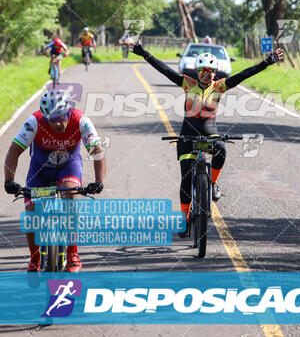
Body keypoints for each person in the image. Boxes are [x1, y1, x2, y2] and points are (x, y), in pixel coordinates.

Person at [126, 40, 284, 237]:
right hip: (188, 133)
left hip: (210, 131)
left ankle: (213, 183)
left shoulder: (220, 86)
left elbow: (243, 75)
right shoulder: (187, 83)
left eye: (209, 70)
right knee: (185, 177)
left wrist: (266, 63)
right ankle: (183, 218)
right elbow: (164, 69)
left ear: (214, 72)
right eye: (202, 70)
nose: (205, 74)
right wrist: (144, 53)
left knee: (222, 149)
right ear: (197, 71)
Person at [3, 89, 106, 272]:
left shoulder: (81, 120)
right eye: (52, 119)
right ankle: (35, 258)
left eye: (61, 117)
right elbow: (14, 150)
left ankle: (72, 253)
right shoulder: (34, 122)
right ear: (44, 117)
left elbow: (97, 152)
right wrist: (9, 180)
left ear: (68, 112)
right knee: (32, 212)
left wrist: (99, 181)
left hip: (69, 166)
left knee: (71, 196)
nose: (57, 123)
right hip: (40, 169)